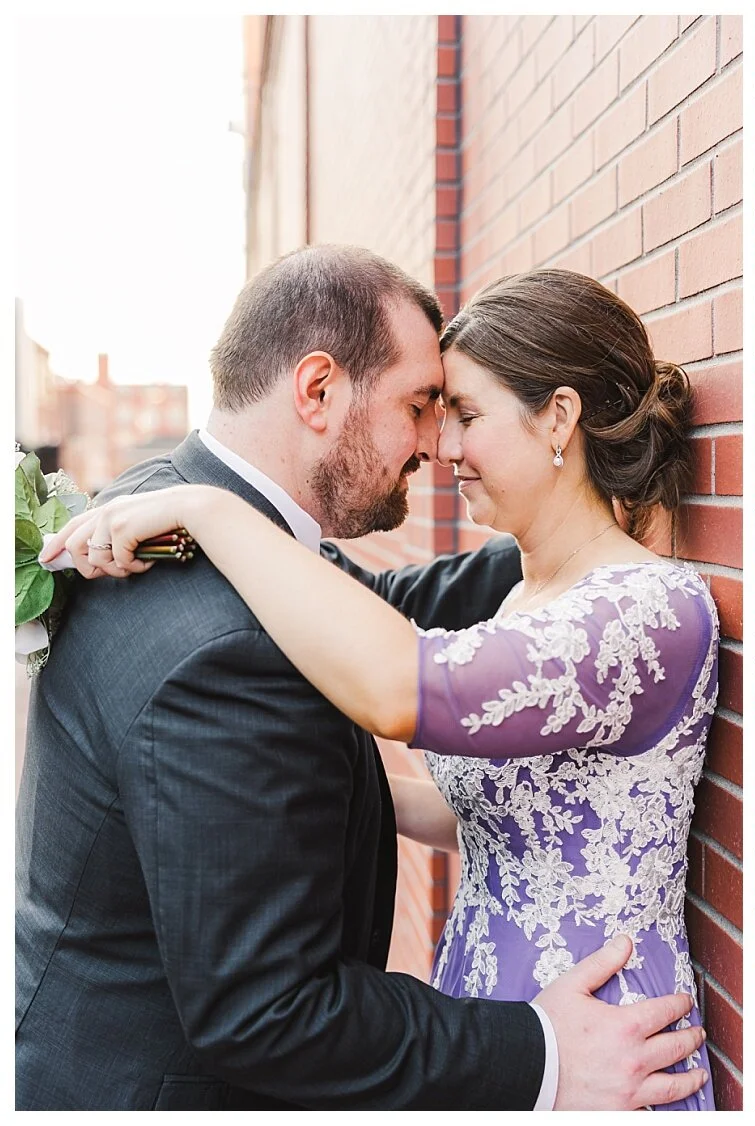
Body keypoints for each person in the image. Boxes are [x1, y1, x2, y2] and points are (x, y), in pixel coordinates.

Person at [19, 246, 709, 1110]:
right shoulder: (217, 631)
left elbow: (393, 647)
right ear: (316, 391)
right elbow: (269, 1006)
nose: (436, 444)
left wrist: (213, 511)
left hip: (605, 1031)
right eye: (425, 406)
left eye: (457, 412)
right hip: (197, 1078)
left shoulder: (177, 504)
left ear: (558, 420)